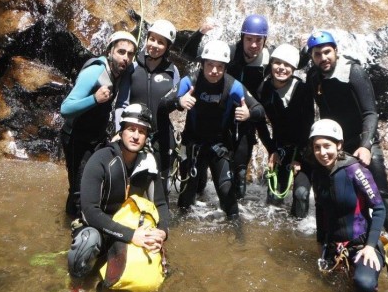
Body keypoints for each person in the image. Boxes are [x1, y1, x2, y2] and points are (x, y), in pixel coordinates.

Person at [305, 31, 388, 239]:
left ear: (336, 50)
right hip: (334, 145)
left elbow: (370, 113)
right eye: (317, 54)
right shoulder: (313, 76)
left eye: (327, 52)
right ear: (311, 57)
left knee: (381, 195)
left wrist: (366, 145)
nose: (323, 58)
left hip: (360, 139)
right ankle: (342, 238)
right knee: (334, 195)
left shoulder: (353, 72)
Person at [160, 39, 265, 219]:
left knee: (228, 196)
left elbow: (259, 109)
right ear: (202, 64)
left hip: (219, 146)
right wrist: (179, 102)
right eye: (210, 65)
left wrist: (249, 114)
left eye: (219, 66)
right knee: (186, 198)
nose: (214, 71)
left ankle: (238, 238)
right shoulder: (190, 81)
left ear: (225, 67)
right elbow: (162, 105)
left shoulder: (232, 85)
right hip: (192, 145)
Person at [67, 103, 169, 281]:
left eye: (142, 131)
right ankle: (76, 287)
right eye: (131, 129)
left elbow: (160, 203)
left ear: (147, 137)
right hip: (98, 227)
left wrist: (162, 232)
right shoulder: (101, 159)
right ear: (121, 131)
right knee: (88, 241)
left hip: (128, 226)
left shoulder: (149, 162)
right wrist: (131, 235)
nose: (136, 136)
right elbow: (89, 211)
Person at [181, 15, 271, 198]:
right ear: (242, 37)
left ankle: (236, 220)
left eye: (258, 40)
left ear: (264, 41)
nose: (253, 45)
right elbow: (187, 54)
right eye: (249, 39)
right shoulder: (228, 53)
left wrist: (302, 51)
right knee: (198, 181)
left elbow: (294, 64)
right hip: (221, 118)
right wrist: (200, 33)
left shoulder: (268, 58)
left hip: (245, 118)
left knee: (239, 176)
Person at [60, 31, 137, 218]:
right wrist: (94, 99)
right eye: (121, 52)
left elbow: (121, 104)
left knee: (98, 184)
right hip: (76, 137)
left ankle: (94, 220)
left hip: (98, 136)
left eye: (130, 54)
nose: (125, 58)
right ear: (110, 51)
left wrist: (120, 129)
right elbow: (65, 108)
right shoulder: (94, 72)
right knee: (79, 190)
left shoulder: (124, 71)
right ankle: (75, 230)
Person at [310, 119, 385, 292]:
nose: (322, 152)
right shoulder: (317, 174)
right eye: (317, 147)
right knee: (323, 287)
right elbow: (320, 210)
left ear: (339, 145)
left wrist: (369, 247)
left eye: (327, 146)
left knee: (364, 287)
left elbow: (379, 208)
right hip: (333, 244)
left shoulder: (355, 170)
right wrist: (320, 243)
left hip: (361, 243)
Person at [114, 20, 180, 199]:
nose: (155, 45)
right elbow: (122, 103)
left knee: (161, 190)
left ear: (167, 47)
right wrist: (119, 131)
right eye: (152, 39)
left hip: (162, 137)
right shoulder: (132, 67)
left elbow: (176, 103)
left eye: (161, 42)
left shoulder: (172, 72)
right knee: (130, 187)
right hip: (134, 135)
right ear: (146, 38)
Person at [256, 44, 314, 217]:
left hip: (303, 150)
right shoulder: (264, 89)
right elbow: (259, 123)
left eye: (287, 65)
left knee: (301, 194)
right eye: (278, 63)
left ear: (294, 68)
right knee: (273, 199)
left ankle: (298, 231)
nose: (282, 68)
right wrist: (271, 150)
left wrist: (299, 158)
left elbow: (308, 125)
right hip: (280, 147)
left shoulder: (303, 90)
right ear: (271, 64)